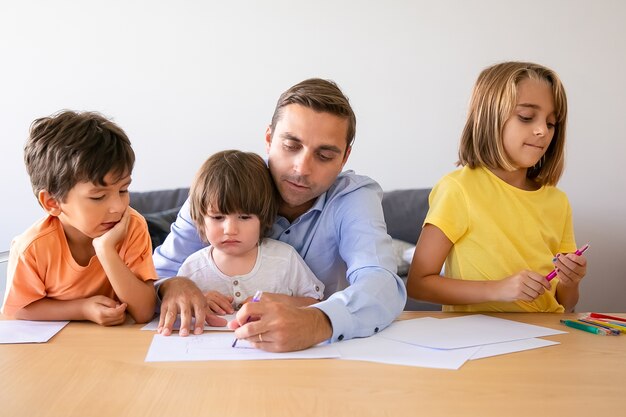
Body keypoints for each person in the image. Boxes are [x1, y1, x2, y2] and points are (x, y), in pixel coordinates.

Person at [154, 78, 406, 351]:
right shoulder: (222, 187)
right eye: (291, 146)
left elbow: (382, 284)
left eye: (324, 155)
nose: (302, 168)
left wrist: (317, 322)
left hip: (323, 355)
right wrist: (171, 286)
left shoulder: (354, 197)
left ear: (344, 158)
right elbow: (156, 274)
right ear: (269, 139)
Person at [407, 61, 587, 313]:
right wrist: (499, 289)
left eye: (551, 123)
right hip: (480, 341)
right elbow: (418, 284)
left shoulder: (558, 201)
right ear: (489, 117)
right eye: (526, 117)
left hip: (547, 336)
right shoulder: (459, 189)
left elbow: (565, 304)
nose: (542, 131)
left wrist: (571, 281)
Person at [1, 110, 157, 325]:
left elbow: (144, 311)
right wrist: (82, 309)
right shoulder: (32, 247)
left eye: (123, 190)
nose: (118, 207)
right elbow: (19, 310)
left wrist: (106, 250)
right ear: (52, 203)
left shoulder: (131, 226)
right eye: (99, 197)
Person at [178, 150, 325, 315]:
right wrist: (198, 301)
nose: (230, 230)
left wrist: (280, 301)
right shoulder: (192, 269)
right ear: (200, 221)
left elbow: (316, 302)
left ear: (264, 219)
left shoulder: (284, 259)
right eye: (218, 217)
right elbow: (176, 309)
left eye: (244, 217)